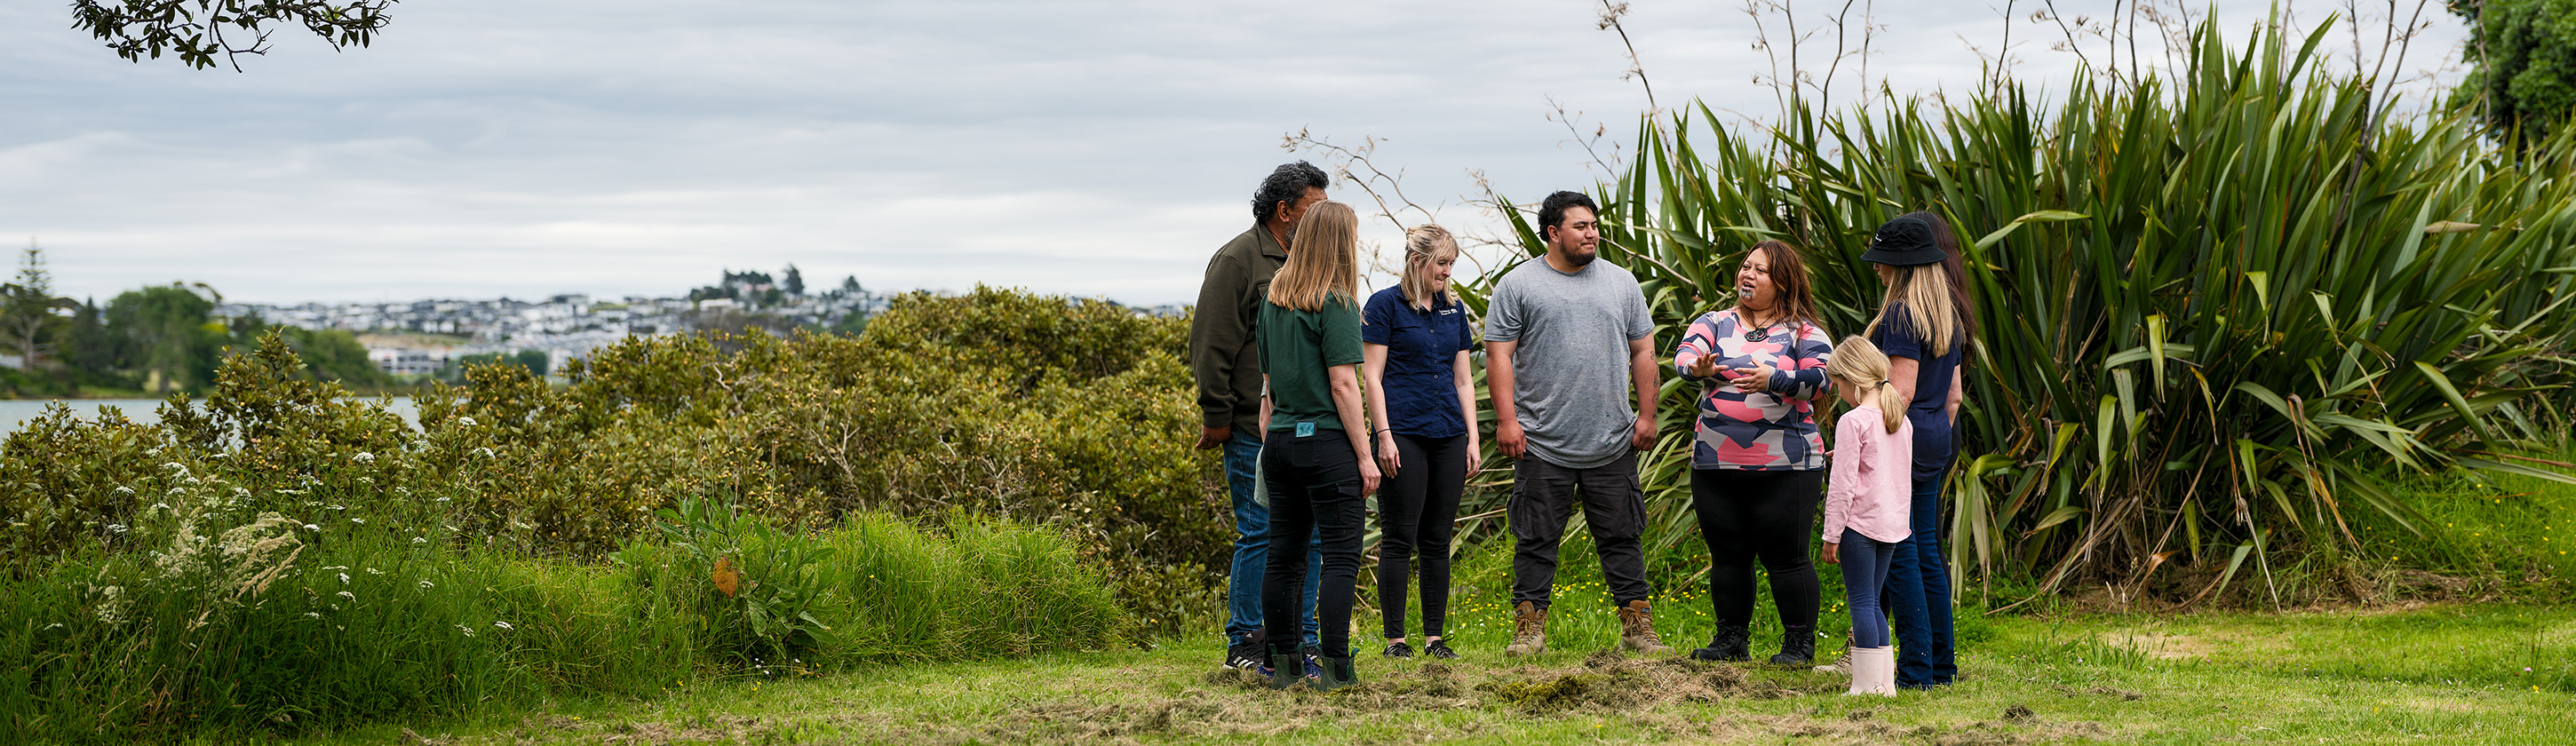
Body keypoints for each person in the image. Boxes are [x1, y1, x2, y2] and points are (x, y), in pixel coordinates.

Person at [1486, 190, 1672, 658]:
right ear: (1553, 233)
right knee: (1535, 539)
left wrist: (1647, 414)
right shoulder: (1519, 285)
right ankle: (1529, 631)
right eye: (1580, 226)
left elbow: (1644, 351)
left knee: (1623, 536)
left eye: (1594, 225)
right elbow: (1499, 355)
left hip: (1612, 439)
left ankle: (1638, 629)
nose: (1592, 233)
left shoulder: (1622, 283)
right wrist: (1507, 421)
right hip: (1542, 441)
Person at [1190, 162, 1328, 671]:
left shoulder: (1315, 262)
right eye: (1314, 208)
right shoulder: (1238, 260)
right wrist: (1217, 416)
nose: (1322, 218)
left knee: (1310, 534)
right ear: (1284, 210)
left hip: (1309, 428)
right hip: (1253, 428)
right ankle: (1246, 644)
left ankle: (1299, 639)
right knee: (1262, 531)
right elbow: (1211, 346)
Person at [1671, 239, 1834, 665]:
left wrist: (1774, 379)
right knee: (1728, 557)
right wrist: (1699, 367)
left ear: (1782, 280)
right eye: (1746, 267)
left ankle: (1799, 645)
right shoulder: (1715, 321)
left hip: (1787, 465)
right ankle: (1730, 642)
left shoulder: (1804, 331)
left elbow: (1821, 379)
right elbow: (1684, 356)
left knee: (1787, 558)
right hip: (1715, 461)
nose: (1748, 275)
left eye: (1760, 270)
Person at [1255, 201, 1381, 691]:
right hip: (1326, 442)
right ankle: (1336, 670)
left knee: (1283, 557)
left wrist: (1277, 442)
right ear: (1340, 243)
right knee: (1341, 556)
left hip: (1281, 441)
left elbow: (1266, 390)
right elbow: (1344, 385)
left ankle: (1286, 668)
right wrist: (1366, 456)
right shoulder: (1338, 302)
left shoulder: (1273, 300)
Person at [1859, 211, 1975, 688]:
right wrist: (1933, 440)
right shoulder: (1946, 315)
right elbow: (1954, 397)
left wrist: (1870, 438)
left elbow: (1899, 392)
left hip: (1900, 435)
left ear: (1901, 266)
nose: (1877, 269)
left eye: (1883, 261)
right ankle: (1941, 665)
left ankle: (1915, 671)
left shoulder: (1903, 314)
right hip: (1933, 437)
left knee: (1900, 551)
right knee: (1927, 549)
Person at [1360, 224, 1481, 661]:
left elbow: (1463, 379)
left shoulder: (1454, 310)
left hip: (1448, 432)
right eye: (1441, 264)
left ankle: (1434, 638)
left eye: (1451, 264)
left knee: (1436, 537)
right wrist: (1384, 436)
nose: (1448, 272)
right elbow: (1371, 376)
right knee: (1399, 536)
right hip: (1402, 433)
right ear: (1417, 261)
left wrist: (1472, 436)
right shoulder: (1384, 305)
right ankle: (1396, 640)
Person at [1818, 336, 1912, 696]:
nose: (1837, 391)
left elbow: (1842, 487)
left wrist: (1831, 534)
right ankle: (1884, 684)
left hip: (1857, 527)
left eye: (1838, 383)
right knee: (1874, 603)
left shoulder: (1852, 422)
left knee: (1861, 602)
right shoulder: (1901, 423)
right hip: (1890, 527)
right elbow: (1893, 473)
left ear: (1854, 381)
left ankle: (1865, 684)